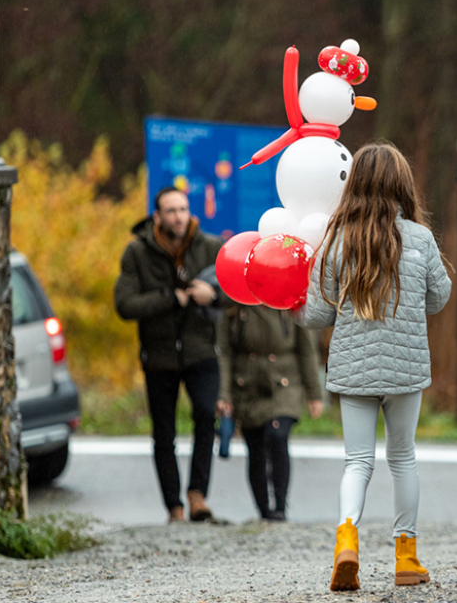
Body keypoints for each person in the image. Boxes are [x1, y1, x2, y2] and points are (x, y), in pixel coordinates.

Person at [295, 142, 452, 592]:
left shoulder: (336, 237)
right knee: (402, 459)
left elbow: (319, 314)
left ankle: (347, 540)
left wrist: (292, 307)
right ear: (402, 185)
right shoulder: (420, 239)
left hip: (352, 368)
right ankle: (406, 557)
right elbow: (438, 300)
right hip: (405, 370)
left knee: (357, 461)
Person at [113, 187, 225, 524]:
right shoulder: (137, 253)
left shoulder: (210, 246)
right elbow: (125, 305)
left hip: (202, 351)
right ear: (157, 216)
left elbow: (239, 291)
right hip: (159, 355)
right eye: (171, 210)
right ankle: (173, 507)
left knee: (206, 418)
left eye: (183, 209)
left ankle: (197, 496)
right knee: (164, 433)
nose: (179, 216)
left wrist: (213, 295)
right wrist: (170, 298)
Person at [216, 304, 324, 521]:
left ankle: (280, 507)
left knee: (277, 435)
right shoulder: (234, 307)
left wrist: (314, 394)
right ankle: (264, 510)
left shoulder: (291, 304)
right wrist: (224, 394)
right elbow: (225, 354)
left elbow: (306, 350)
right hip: (246, 387)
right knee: (255, 449)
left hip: (285, 386)